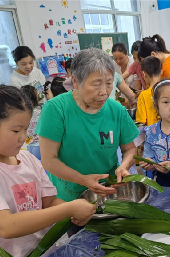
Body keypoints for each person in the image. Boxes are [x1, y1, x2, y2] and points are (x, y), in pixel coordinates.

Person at [0, 78, 96, 257]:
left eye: (26, 129)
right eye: (16, 131)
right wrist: (69, 208)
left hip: (44, 256)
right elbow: (6, 226)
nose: (23, 137)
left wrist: (75, 211)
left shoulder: (27, 158)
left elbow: (49, 202)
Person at [36, 48, 140, 202]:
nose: (104, 92)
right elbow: (49, 160)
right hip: (68, 198)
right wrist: (84, 180)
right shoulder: (56, 109)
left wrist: (124, 166)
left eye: (109, 83)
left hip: (109, 193)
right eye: (96, 84)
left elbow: (130, 148)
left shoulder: (116, 110)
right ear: (76, 81)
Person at [136, 56, 162, 126]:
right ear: (161, 72)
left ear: (144, 74)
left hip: (152, 135)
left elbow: (141, 121)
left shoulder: (143, 95)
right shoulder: (168, 90)